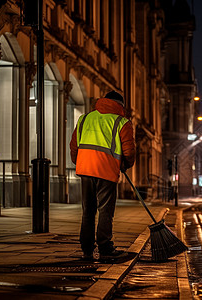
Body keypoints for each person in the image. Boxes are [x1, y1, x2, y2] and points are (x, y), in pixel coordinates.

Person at [70, 90, 135, 260]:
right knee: (105, 210)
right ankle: (105, 247)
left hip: (85, 170)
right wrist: (125, 164)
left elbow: (74, 146)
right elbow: (129, 150)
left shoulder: (85, 118)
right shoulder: (122, 122)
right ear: (121, 106)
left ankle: (87, 249)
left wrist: (80, 162)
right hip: (106, 171)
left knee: (88, 211)